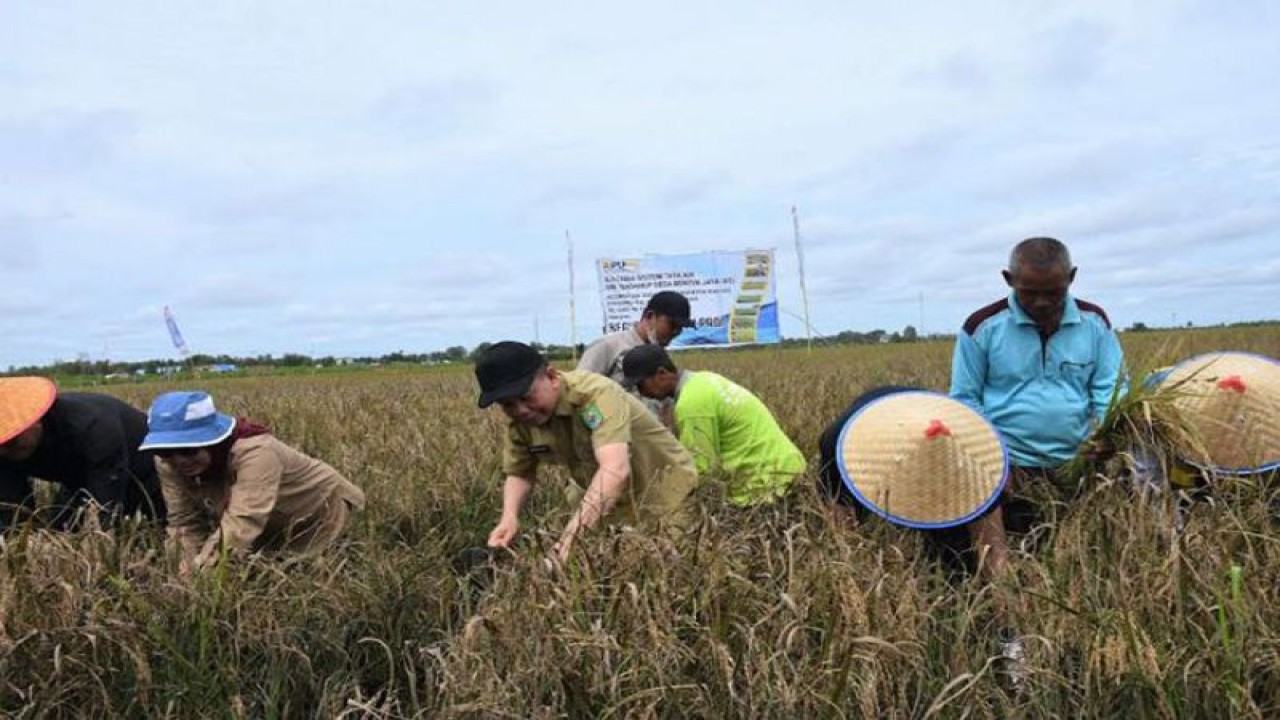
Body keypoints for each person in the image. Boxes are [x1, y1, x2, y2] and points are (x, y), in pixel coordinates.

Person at [816, 386, 1024, 686]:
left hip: (946, 449)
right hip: (871, 447)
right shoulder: (840, 447)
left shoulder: (976, 465)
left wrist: (1012, 647)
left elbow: (995, 554)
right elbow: (846, 547)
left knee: (958, 566)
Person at [949, 237, 1124, 534]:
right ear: (1009, 279)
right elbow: (965, 398)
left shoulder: (1095, 322)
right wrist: (994, 459)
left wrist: (1106, 435)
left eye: (1054, 292)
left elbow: (1111, 388)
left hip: (1079, 463)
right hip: (1009, 466)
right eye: (1029, 293)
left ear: (1072, 278)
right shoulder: (981, 326)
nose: (1042, 303)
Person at [476, 341, 699, 562]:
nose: (521, 410)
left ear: (552, 377)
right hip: (604, 499)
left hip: (663, 490)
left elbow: (614, 470)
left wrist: (569, 541)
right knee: (600, 567)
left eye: (526, 398)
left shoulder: (596, 394)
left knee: (664, 568)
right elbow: (520, 472)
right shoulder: (521, 421)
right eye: (507, 405)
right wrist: (509, 517)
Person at [140, 391, 365, 574]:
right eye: (165, 451)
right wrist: (184, 569)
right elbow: (184, 523)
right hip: (271, 525)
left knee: (321, 573)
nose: (178, 460)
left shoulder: (257, 453)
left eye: (187, 450)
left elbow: (243, 521)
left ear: (211, 440)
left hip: (321, 514)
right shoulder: (167, 464)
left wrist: (202, 573)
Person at [620, 344, 804, 506]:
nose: (642, 392)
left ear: (662, 373)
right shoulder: (704, 380)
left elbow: (701, 468)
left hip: (764, 483)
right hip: (785, 468)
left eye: (641, 384)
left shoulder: (692, 403)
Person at [0, 376, 166, 530]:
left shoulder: (92, 426)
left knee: (150, 529)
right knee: (59, 529)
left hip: (143, 471)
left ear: (36, 421)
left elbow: (106, 501)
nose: (6, 451)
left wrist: (101, 538)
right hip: (77, 477)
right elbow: (13, 508)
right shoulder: (5, 450)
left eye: (12, 442)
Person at [577, 290, 696, 386]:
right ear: (650, 316)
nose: (676, 331)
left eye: (680, 327)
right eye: (672, 325)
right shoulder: (608, 347)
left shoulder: (663, 358)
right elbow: (579, 390)